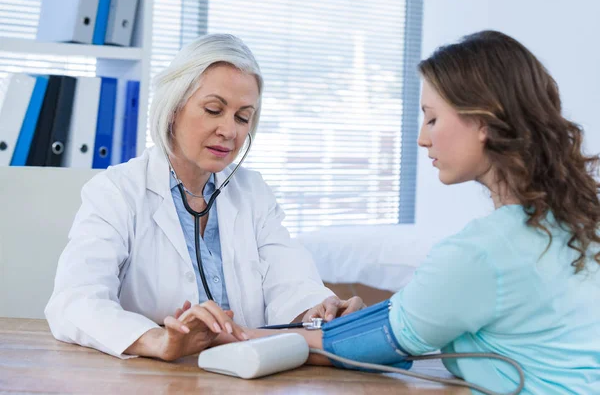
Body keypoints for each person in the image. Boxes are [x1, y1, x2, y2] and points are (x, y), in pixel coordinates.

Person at [215, 30, 599, 394]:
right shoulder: (579, 222)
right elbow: (400, 316)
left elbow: (355, 345)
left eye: (432, 118)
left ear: (482, 122)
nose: (422, 137)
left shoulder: (484, 252)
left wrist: (230, 333)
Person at [45, 34, 364, 361]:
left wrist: (321, 310)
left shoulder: (252, 193)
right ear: (173, 107)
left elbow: (292, 282)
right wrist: (158, 341)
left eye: (243, 117)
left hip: (246, 375)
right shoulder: (117, 191)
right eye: (214, 110)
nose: (230, 130)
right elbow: (74, 301)